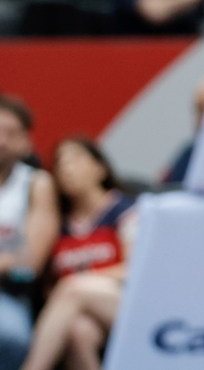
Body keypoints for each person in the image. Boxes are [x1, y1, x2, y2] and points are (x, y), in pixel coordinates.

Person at [20, 136, 136, 370]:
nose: (67, 169)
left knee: (73, 287)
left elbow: (135, 269)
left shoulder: (126, 211)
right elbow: (48, 282)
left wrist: (85, 281)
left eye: (76, 159)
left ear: (100, 168)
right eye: (60, 164)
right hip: (77, 310)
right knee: (77, 333)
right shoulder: (57, 223)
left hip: (124, 303)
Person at [0, 95, 59, 369]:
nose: (1, 141)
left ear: (26, 142)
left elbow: (29, 261)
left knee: (9, 336)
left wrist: (10, 263)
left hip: (8, 294)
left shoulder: (36, 184)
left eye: (10, 134)